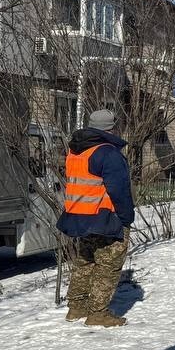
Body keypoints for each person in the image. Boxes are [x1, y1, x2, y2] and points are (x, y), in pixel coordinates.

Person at [57, 108, 134, 327]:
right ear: (111, 127)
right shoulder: (107, 152)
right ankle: (98, 313)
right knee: (108, 264)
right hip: (105, 217)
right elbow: (119, 190)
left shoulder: (75, 150)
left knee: (85, 261)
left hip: (79, 216)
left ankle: (76, 307)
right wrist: (127, 217)